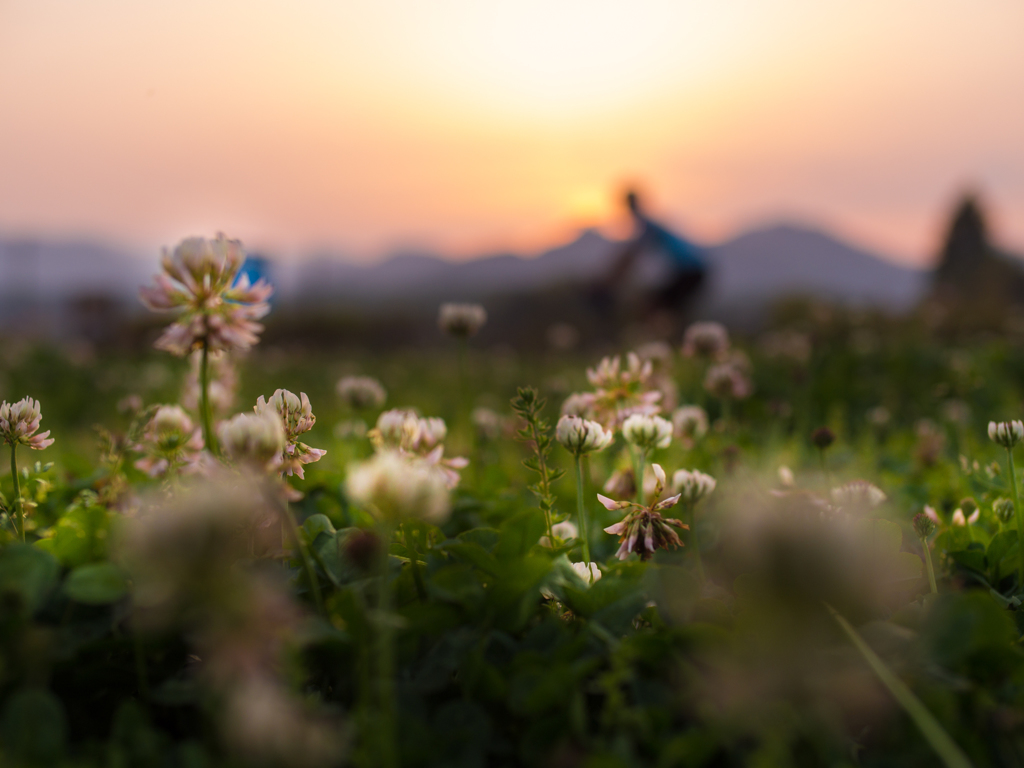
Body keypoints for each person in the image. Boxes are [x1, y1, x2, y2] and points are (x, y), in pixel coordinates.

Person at [601, 190, 707, 315]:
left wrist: (611, 277)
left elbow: (633, 253)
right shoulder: (651, 222)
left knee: (656, 305)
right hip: (692, 270)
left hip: (690, 271)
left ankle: (663, 331)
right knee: (666, 305)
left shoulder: (646, 224)